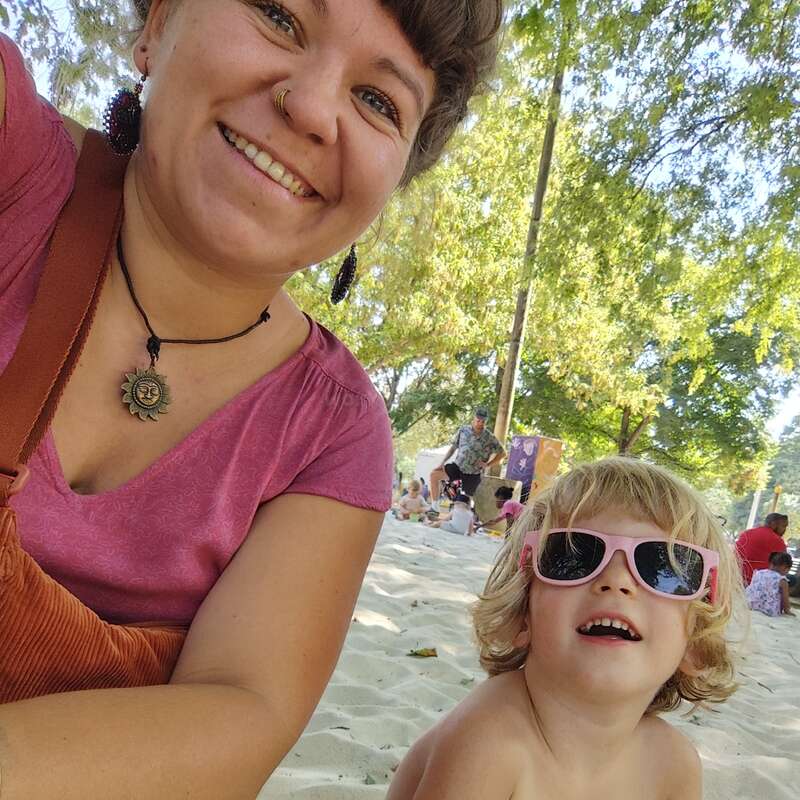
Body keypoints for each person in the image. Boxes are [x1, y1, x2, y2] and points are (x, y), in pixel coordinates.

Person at [0, 1, 503, 795]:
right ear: (158, 23)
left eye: (379, 101)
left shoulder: (331, 431)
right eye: (279, 16)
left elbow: (243, 709)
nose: (309, 109)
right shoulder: (12, 164)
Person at [389, 457, 741, 800]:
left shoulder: (673, 765)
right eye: (573, 556)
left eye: (663, 567)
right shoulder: (488, 740)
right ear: (521, 612)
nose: (617, 580)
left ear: (695, 641)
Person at [434, 407, 506, 497]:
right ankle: (435, 506)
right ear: (474, 419)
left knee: (464, 502)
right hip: (457, 467)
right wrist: (442, 462)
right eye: (478, 420)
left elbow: (503, 453)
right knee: (438, 479)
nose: (480, 423)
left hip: (473, 474)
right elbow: (453, 447)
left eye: (483, 422)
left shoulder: (489, 437)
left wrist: (488, 465)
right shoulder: (463, 430)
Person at [735, 513, 789, 585]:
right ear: (773, 524)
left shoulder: (747, 533)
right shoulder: (777, 540)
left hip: (737, 576)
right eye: (783, 526)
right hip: (759, 582)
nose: (784, 530)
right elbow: (783, 567)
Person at [745, 551, 795, 617]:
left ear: (771, 564)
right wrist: (787, 610)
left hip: (752, 604)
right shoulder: (782, 580)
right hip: (770, 610)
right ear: (785, 568)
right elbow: (785, 599)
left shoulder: (759, 572)